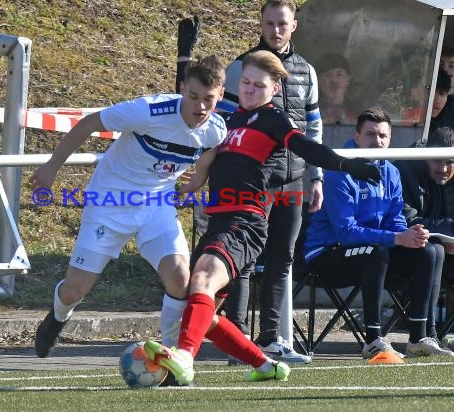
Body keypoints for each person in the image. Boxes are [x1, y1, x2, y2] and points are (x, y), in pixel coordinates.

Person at [143, 50, 381, 385]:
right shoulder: (228, 120)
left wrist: (344, 164)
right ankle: (265, 365)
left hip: (246, 221)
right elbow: (199, 148)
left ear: (274, 89)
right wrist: (188, 185)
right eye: (246, 83)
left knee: (201, 281)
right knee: (203, 313)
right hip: (218, 222)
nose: (250, 90)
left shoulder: (273, 120)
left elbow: (307, 147)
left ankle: (182, 359)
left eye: (259, 85)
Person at [30, 55, 228, 359]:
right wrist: (51, 167)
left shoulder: (216, 128)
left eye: (209, 100)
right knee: (75, 290)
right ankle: (56, 318)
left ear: (221, 96)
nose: (200, 107)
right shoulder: (148, 111)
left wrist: (199, 176)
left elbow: (210, 149)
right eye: (193, 97)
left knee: (179, 278)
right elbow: (90, 123)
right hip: (110, 202)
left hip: (157, 205)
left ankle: (174, 357)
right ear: (182, 87)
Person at [218, 0, 323, 365]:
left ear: (294, 25)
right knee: (243, 261)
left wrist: (316, 175)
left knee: (282, 260)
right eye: (269, 23)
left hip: (293, 180)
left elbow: (313, 126)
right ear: (260, 24)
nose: (275, 30)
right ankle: (235, 340)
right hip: (251, 182)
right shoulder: (240, 67)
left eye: (282, 23)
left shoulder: (307, 70)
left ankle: (271, 340)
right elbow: (221, 122)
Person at [303, 108, 454, 359]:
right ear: (357, 136)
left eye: (383, 136)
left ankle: (419, 337)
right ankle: (373, 339)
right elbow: (346, 232)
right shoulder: (339, 168)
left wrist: (409, 234)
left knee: (430, 250)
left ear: (390, 139)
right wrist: (397, 238)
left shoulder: (390, 171)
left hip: (373, 250)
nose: (377, 141)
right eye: (370, 134)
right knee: (377, 250)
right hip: (329, 254)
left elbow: (394, 219)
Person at [395, 126, 454, 345]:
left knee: (435, 250)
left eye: (449, 162)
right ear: (425, 156)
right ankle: (426, 333)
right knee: (433, 250)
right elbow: (408, 221)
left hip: (440, 252)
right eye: (437, 161)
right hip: (402, 252)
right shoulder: (406, 170)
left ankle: (430, 333)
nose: (444, 169)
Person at [316, 52, 356, 125]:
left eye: (339, 74)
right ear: (318, 80)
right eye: (328, 75)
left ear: (348, 79)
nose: (334, 80)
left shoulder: (359, 110)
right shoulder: (308, 111)